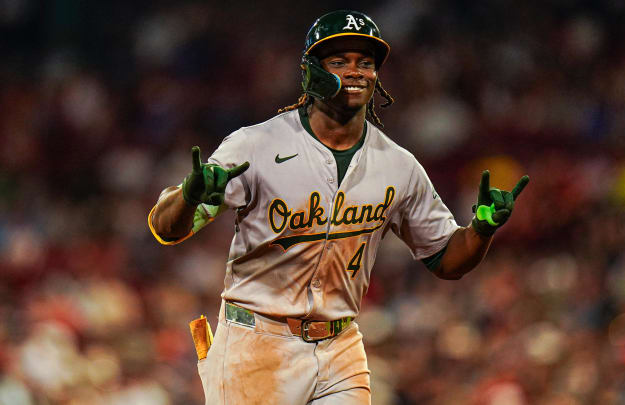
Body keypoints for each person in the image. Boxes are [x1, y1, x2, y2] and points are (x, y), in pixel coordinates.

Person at [148, 10, 528, 405]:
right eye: (339, 61)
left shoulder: (397, 164)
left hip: (340, 345)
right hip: (255, 341)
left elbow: (447, 260)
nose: (355, 71)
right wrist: (189, 196)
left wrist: (482, 229)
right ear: (310, 71)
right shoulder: (255, 145)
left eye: (365, 62)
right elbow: (166, 228)